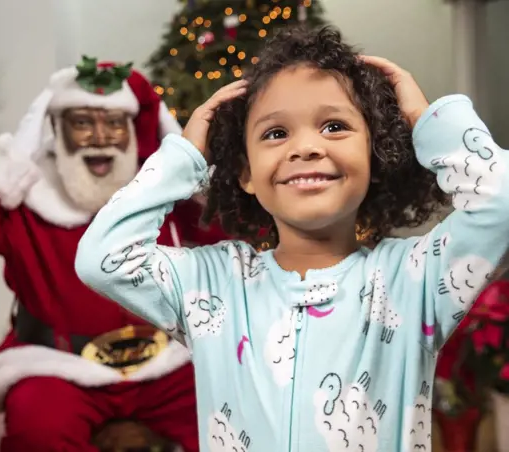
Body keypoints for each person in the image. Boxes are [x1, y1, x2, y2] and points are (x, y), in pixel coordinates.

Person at [75, 25, 509, 451]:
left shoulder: (413, 281)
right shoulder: (210, 286)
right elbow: (102, 257)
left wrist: (428, 120)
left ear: (374, 157)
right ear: (245, 173)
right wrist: (182, 158)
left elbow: (501, 204)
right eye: (276, 133)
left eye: (334, 127)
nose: (305, 148)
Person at [0, 57, 226, 452]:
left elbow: (230, 229)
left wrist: (186, 163)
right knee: (38, 429)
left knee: (231, 413)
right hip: (59, 367)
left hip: (166, 360)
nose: (101, 136)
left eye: (114, 123)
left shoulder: (155, 185)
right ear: (55, 128)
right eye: (83, 122)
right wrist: (8, 164)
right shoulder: (26, 196)